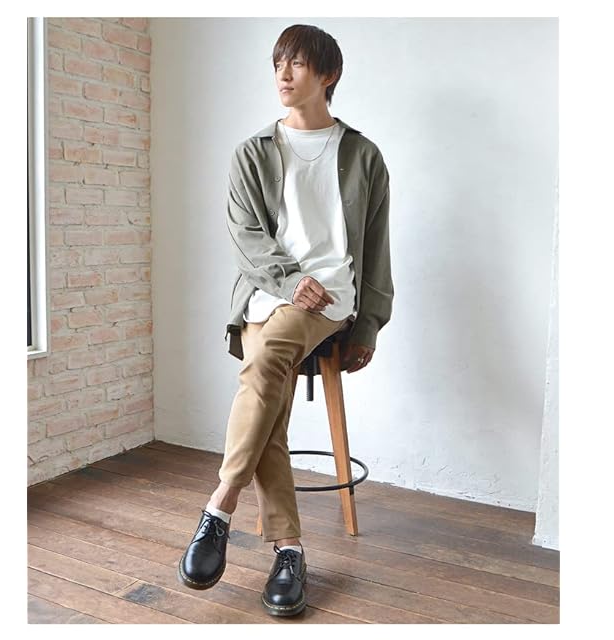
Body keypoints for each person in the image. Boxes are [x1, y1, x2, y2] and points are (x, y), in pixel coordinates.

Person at [178, 23, 394, 617]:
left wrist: (369, 324)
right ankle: (289, 551)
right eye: (278, 63)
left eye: (296, 64)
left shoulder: (363, 155)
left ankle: (220, 504)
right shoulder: (251, 152)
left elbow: (377, 250)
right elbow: (245, 237)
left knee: (266, 358)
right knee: (268, 395)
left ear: (328, 74)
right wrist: (286, 281)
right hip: (264, 294)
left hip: (328, 299)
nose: (283, 74)